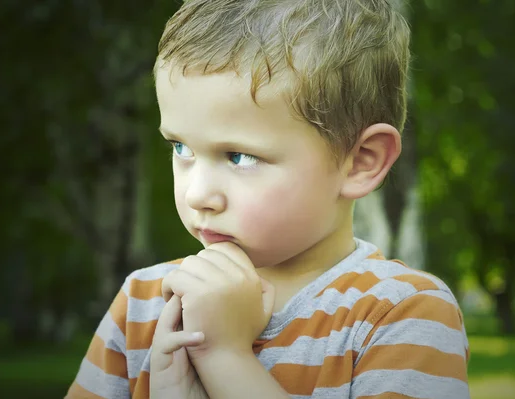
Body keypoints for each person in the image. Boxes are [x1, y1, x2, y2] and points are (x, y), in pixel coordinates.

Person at [66, 0, 470, 398]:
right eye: (180, 148)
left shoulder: (401, 314)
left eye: (239, 157)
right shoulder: (144, 301)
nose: (198, 194)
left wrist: (225, 358)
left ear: (360, 162)